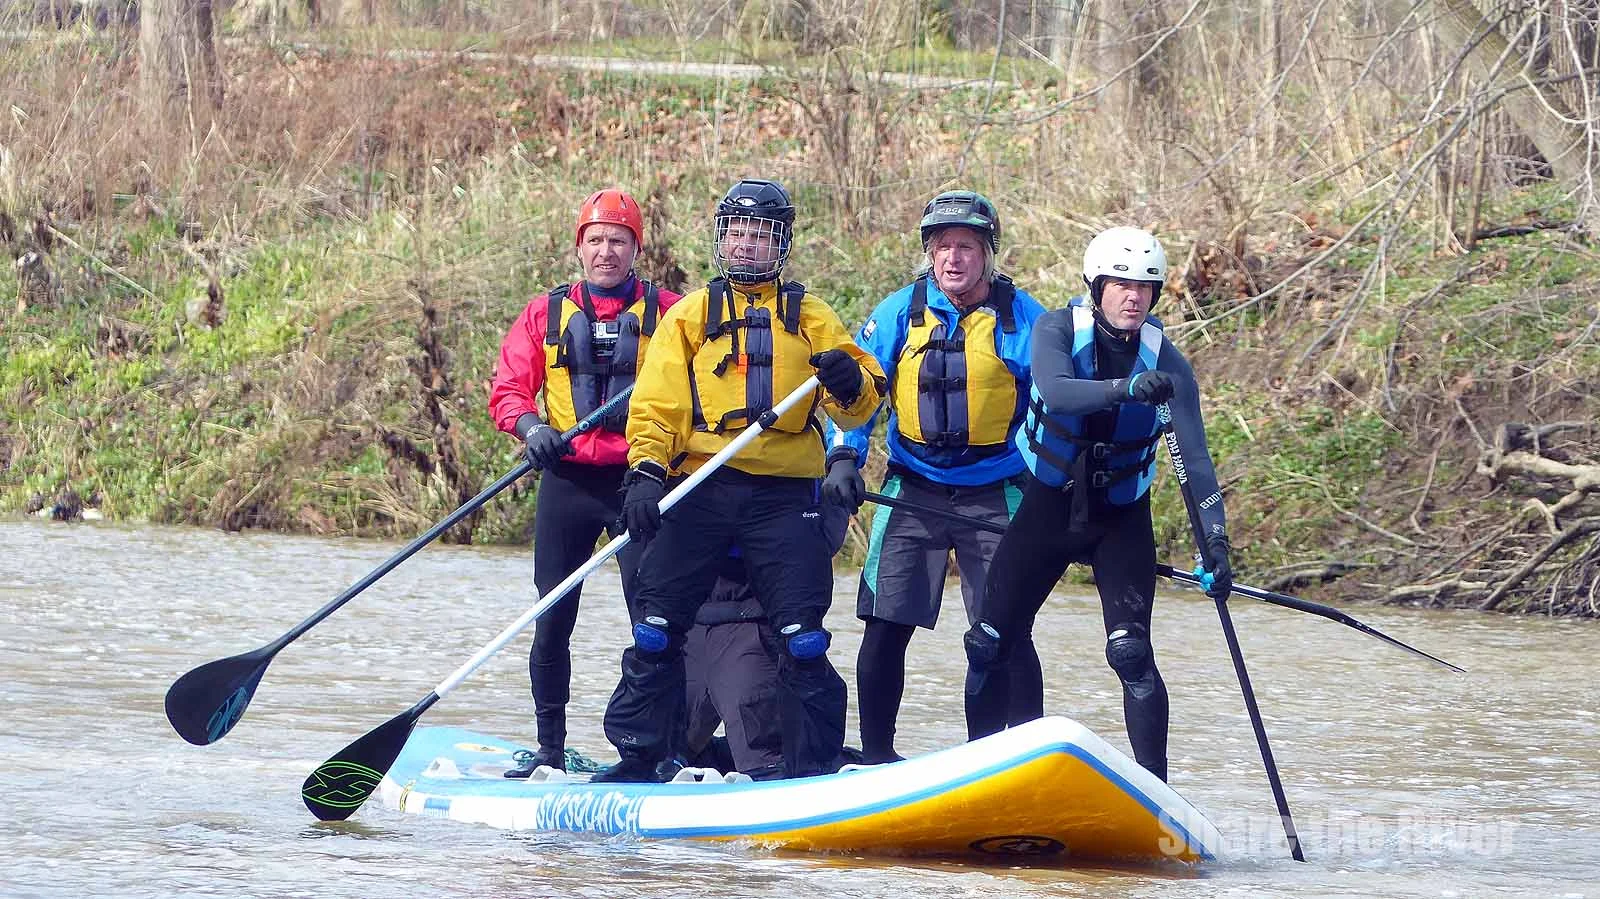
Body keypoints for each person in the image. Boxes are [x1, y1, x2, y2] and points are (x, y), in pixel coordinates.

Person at [590, 178, 887, 784]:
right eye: (737, 233)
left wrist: (848, 382)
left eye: (760, 235)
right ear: (722, 240)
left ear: (780, 244)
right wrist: (646, 474)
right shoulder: (691, 315)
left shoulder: (810, 315)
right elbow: (657, 403)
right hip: (700, 484)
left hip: (782, 495)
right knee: (656, 627)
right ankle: (641, 755)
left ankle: (811, 766)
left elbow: (859, 406)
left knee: (802, 637)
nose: (746, 246)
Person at [960, 226, 1234, 783]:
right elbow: (1058, 391)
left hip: (1120, 519)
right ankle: (978, 775)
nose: (1133, 297)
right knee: (988, 643)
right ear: (1096, 286)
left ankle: (1157, 791)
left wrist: (1218, 543)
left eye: (1145, 288)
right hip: (1047, 509)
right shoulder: (1055, 329)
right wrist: (1126, 390)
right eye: (1120, 284)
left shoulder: (1168, 362)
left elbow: (1196, 462)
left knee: (1131, 653)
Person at [824, 190, 1047, 765]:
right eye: (943, 246)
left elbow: (1055, 406)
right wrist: (845, 455)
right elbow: (859, 392)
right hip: (912, 486)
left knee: (1005, 630)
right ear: (929, 252)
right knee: (884, 623)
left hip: (997, 489)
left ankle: (1011, 759)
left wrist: (1062, 485)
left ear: (988, 254)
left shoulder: (1026, 320)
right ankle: (877, 757)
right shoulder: (900, 310)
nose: (953, 259)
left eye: (967, 248)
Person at [487, 188, 681, 777]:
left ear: (636, 249)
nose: (606, 252)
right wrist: (528, 427)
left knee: (653, 617)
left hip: (641, 481)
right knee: (553, 616)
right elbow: (508, 388)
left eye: (618, 241)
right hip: (567, 480)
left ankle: (654, 748)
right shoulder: (544, 314)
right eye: (595, 240)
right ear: (579, 248)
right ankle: (549, 747)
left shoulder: (671, 312)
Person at [680, 498, 853, 780]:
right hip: (693, 619)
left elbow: (824, 538)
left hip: (761, 623)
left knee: (768, 753)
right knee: (663, 742)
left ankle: (832, 765)